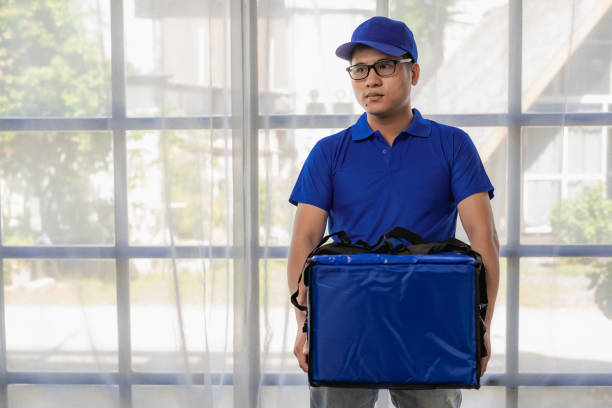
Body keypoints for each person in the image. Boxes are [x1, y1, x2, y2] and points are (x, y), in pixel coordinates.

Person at [287, 16, 500, 408]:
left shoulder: (453, 145)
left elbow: (483, 239)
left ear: (413, 72)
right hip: (345, 320)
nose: (370, 80)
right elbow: (304, 240)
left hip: (430, 321)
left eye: (384, 66)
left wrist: (479, 326)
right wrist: (306, 325)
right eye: (360, 70)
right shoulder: (329, 152)